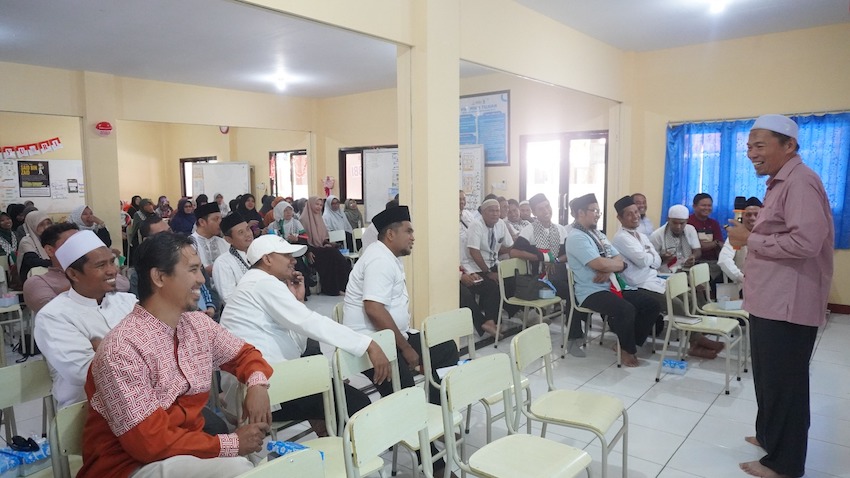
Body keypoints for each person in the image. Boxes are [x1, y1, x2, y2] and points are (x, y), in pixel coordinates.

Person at [77, 232, 273, 478]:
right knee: (237, 469)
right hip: (129, 466)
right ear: (159, 277)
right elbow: (149, 443)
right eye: (192, 270)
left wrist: (257, 385)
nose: (201, 279)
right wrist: (230, 444)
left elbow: (244, 354)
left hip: (183, 450)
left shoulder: (196, 324)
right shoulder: (121, 350)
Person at [726, 114, 834, 478]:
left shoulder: (801, 182)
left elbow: (806, 242)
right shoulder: (779, 183)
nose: (751, 153)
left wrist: (749, 239)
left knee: (786, 385)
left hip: (788, 304)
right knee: (769, 378)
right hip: (768, 299)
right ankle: (770, 436)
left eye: (760, 146)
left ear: (789, 145)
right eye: (748, 147)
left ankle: (785, 464)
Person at [220, 234, 389, 432]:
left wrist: (298, 300)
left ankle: (334, 442)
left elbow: (298, 343)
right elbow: (311, 323)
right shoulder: (262, 283)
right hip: (261, 390)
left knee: (338, 398)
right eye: (287, 256)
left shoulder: (256, 283)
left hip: (266, 380)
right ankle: (350, 449)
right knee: (353, 402)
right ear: (267, 259)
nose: (293, 261)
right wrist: (366, 344)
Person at [343, 206, 458, 404]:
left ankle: (435, 409)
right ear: (390, 234)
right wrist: (406, 348)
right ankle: (409, 418)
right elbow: (374, 309)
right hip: (371, 342)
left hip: (390, 337)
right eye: (408, 231)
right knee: (406, 393)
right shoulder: (379, 260)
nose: (413, 237)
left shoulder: (388, 257)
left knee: (446, 349)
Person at [34, 230, 138, 409]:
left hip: (142, 399)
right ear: (73, 274)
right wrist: (137, 350)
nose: (112, 270)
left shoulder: (127, 301)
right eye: (101, 265)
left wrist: (102, 347)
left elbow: (160, 346)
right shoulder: (53, 316)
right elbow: (85, 372)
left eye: (112, 261)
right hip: (85, 410)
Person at [611, 196, 721, 359]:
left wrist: (649, 257)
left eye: (636, 212)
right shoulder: (621, 238)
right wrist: (650, 256)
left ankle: (696, 339)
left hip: (653, 278)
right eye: (629, 214)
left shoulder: (640, 235)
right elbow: (644, 260)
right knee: (677, 304)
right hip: (637, 285)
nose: (635, 216)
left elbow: (655, 261)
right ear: (620, 218)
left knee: (690, 297)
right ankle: (696, 341)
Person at [566, 193, 661, 367]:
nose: (597, 214)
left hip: (612, 285)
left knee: (652, 305)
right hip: (591, 291)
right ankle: (627, 350)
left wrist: (609, 268)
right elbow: (598, 263)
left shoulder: (597, 234)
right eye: (594, 211)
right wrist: (610, 266)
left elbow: (618, 259)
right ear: (580, 213)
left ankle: (628, 343)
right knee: (626, 309)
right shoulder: (576, 237)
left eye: (598, 211)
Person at [510, 193, 586, 356]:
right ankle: (573, 338)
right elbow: (514, 252)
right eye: (540, 209)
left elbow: (568, 254)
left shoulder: (560, 230)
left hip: (558, 275)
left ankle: (574, 331)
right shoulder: (529, 230)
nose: (546, 211)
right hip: (538, 280)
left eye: (547, 206)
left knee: (580, 289)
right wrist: (541, 257)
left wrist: (555, 260)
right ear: (534, 213)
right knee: (572, 293)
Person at [458, 190, 501, 337]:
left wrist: (469, 271)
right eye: (458, 199)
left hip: (468, 265)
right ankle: (482, 323)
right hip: (457, 269)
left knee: (491, 285)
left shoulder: (468, 216)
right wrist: (461, 274)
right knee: (465, 293)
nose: (462, 202)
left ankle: (490, 322)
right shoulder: (445, 221)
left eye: (463, 199)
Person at [300, 196, 351, 296]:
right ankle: (333, 288)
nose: (319, 207)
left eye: (320, 205)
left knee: (334, 254)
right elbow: (302, 240)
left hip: (320, 248)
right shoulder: (303, 220)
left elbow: (322, 238)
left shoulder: (319, 218)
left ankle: (343, 286)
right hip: (310, 251)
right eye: (317, 204)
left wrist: (327, 243)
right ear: (310, 204)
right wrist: (308, 251)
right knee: (332, 254)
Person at [462, 198, 514, 284]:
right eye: (491, 211)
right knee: (492, 285)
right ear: (483, 213)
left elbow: (510, 245)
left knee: (511, 279)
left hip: (494, 264)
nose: (495, 214)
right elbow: (474, 252)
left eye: (497, 211)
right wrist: (488, 273)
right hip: (477, 268)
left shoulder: (501, 223)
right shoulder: (476, 225)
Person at [718, 197, 761, 284]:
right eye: (748, 215)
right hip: (743, 284)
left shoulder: (770, 235)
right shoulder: (736, 236)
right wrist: (742, 278)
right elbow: (724, 260)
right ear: (743, 216)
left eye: (756, 215)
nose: (752, 218)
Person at [212, 213, 253, 305]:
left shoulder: (261, 253)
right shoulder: (223, 263)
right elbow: (229, 298)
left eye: (248, 229)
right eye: (241, 232)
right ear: (229, 240)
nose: (248, 234)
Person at [649, 205, 702, 273]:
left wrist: (693, 257)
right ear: (668, 219)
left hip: (687, 270)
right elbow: (651, 261)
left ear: (687, 221)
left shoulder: (690, 230)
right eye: (675, 223)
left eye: (682, 223)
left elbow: (697, 251)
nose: (678, 227)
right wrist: (662, 258)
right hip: (664, 273)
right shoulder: (657, 235)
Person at [688, 193, 724, 277]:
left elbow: (721, 244)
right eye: (703, 205)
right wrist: (715, 243)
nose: (707, 208)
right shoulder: (688, 222)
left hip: (713, 262)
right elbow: (698, 246)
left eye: (709, 205)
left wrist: (715, 243)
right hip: (694, 262)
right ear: (694, 206)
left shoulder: (714, 223)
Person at [190, 203, 228, 276]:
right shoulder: (189, 245)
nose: (220, 223)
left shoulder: (224, 243)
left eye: (221, 219)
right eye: (216, 219)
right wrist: (204, 272)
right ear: (202, 222)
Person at [16, 210, 53, 281]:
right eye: (41, 225)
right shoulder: (26, 241)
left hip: (49, 273)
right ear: (32, 225)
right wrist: (55, 263)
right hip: (32, 278)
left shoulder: (51, 239)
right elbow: (33, 261)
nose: (46, 227)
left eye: (48, 223)